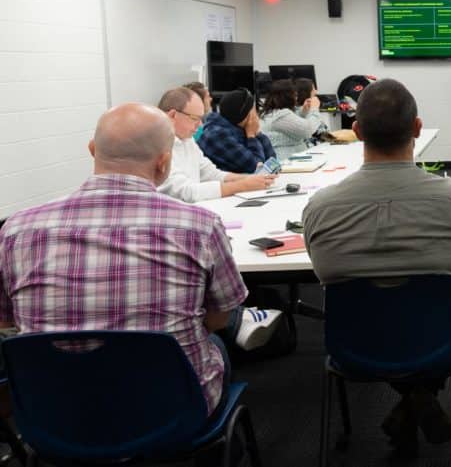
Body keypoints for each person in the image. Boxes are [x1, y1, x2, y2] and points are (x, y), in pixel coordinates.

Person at [0, 104, 280, 415]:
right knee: (216, 347)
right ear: (164, 163)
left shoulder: (16, 229)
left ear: (92, 151)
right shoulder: (199, 226)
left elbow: (8, 319)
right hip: (171, 410)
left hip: (53, 411)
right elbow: (218, 319)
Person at [303, 79, 451, 457]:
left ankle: (411, 405)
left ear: (355, 131)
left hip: (353, 342)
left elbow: (321, 272)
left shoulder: (320, 207)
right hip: (442, 337)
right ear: (417, 129)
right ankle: (419, 400)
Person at [157, 87, 276, 202]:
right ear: (173, 115)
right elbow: (185, 192)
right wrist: (243, 185)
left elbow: (211, 173)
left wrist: (250, 179)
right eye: (194, 118)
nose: (199, 125)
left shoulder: (187, 140)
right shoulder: (156, 144)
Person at [198, 88, 277, 174]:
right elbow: (257, 168)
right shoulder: (217, 135)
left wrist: (257, 133)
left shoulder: (238, 128)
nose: (256, 114)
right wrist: (251, 136)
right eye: (253, 110)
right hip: (225, 185)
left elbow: (273, 164)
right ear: (245, 115)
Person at [259, 79, 327, 158]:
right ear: (288, 97)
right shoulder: (281, 116)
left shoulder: (272, 113)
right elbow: (307, 130)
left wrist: (303, 112)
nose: (296, 98)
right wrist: (314, 109)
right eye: (295, 95)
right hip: (286, 162)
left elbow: (293, 125)